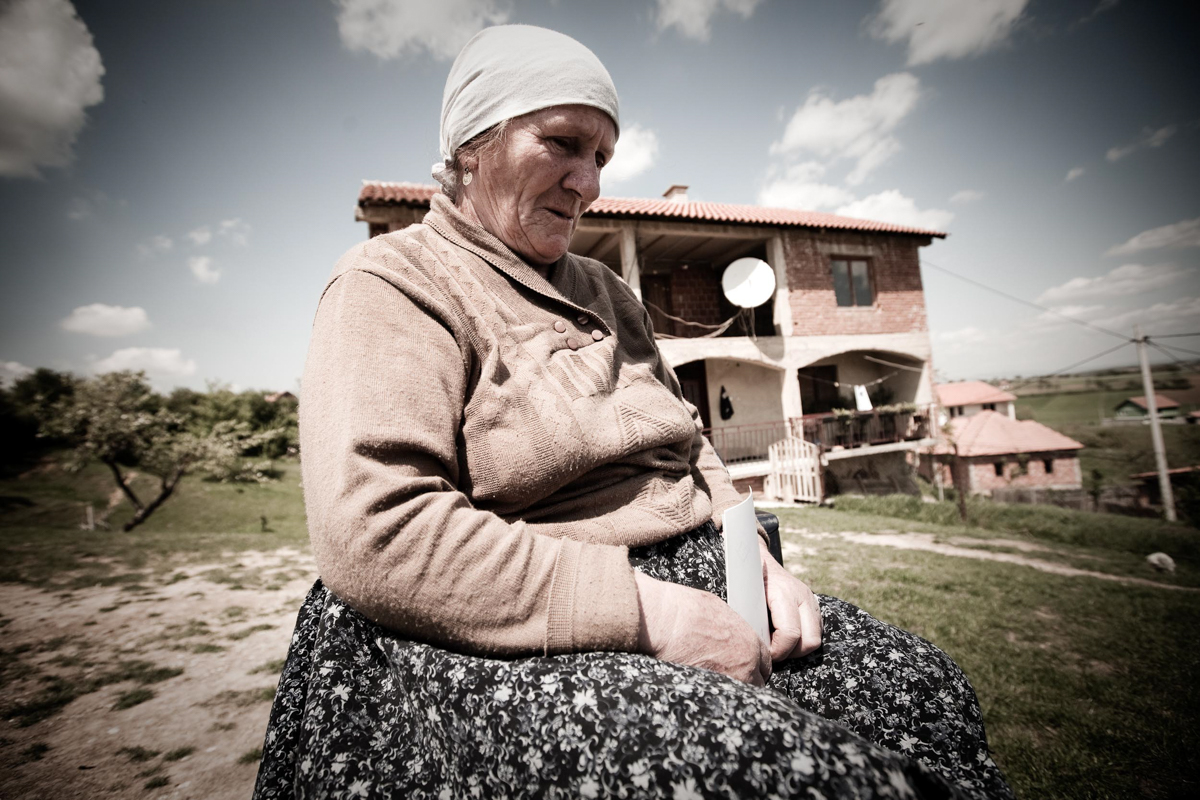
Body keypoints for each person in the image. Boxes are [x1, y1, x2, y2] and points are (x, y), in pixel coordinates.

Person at [253, 24, 1013, 800]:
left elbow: (690, 445)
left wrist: (759, 562)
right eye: (562, 143)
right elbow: (379, 532)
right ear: (470, 145)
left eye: (602, 158)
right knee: (770, 767)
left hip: (703, 576)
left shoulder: (608, 291)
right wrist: (654, 617)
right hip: (532, 622)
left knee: (923, 683)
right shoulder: (394, 281)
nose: (588, 183)